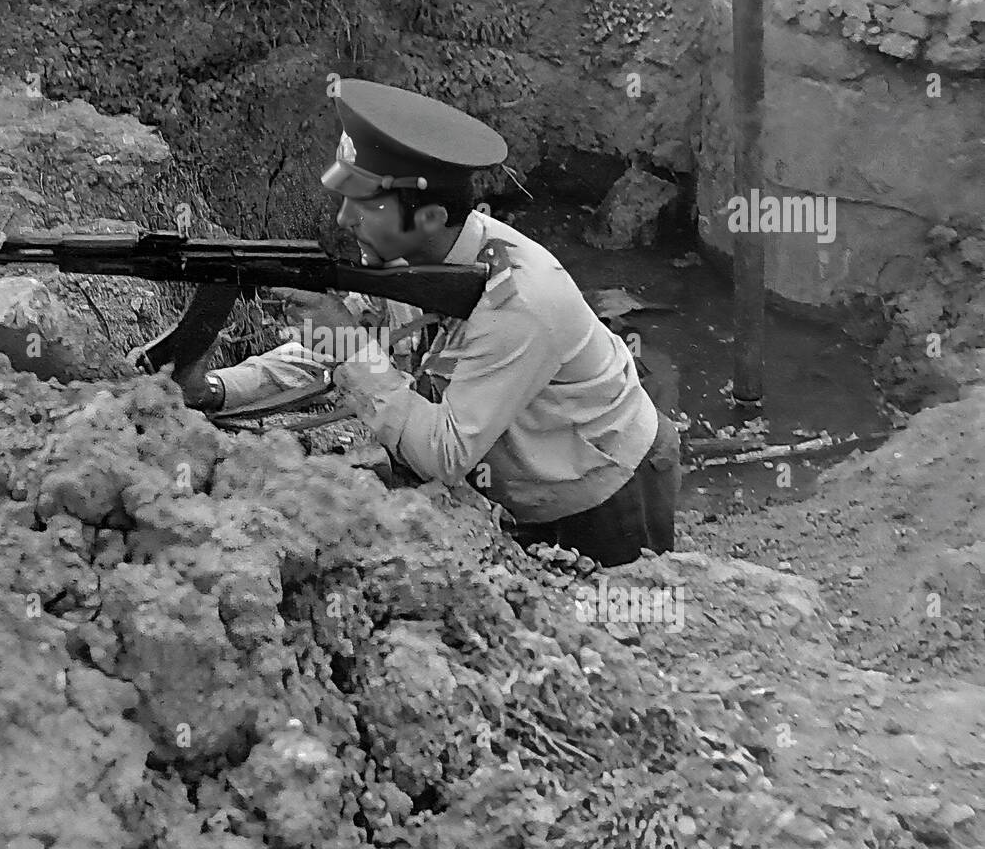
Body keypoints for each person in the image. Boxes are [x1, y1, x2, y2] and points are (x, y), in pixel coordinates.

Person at [175, 80, 681, 568]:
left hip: (601, 488)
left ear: (431, 218)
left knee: (605, 635)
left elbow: (444, 453)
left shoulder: (520, 303)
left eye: (366, 205)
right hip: (518, 475)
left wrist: (350, 346)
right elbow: (331, 351)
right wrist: (217, 390)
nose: (343, 221)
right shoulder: (409, 259)